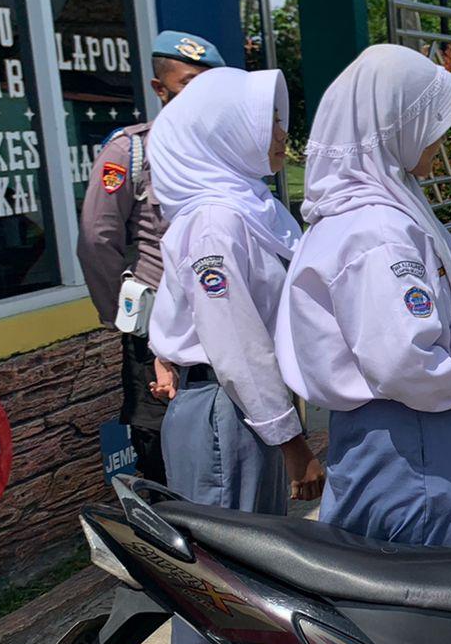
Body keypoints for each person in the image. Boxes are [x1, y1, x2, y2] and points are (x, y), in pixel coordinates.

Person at [276, 46, 451, 547]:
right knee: (425, 596)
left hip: (383, 437)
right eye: (430, 120)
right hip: (413, 441)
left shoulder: (352, 215)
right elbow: (402, 361)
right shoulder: (380, 231)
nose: (441, 137)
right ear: (395, 124)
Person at [147, 66, 325, 513]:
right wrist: (292, 444)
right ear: (228, 132)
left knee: (258, 553)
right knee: (235, 561)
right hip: (224, 411)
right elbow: (237, 346)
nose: (282, 134)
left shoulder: (249, 206)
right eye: (270, 123)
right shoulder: (215, 222)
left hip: (245, 405)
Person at [76, 30, 225, 483]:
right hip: (158, 329)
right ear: (160, 89)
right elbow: (96, 238)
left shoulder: (223, 149)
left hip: (220, 323)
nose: (198, 97)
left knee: (222, 443)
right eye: (186, 84)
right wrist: (120, 313)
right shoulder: (131, 150)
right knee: (160, 446)